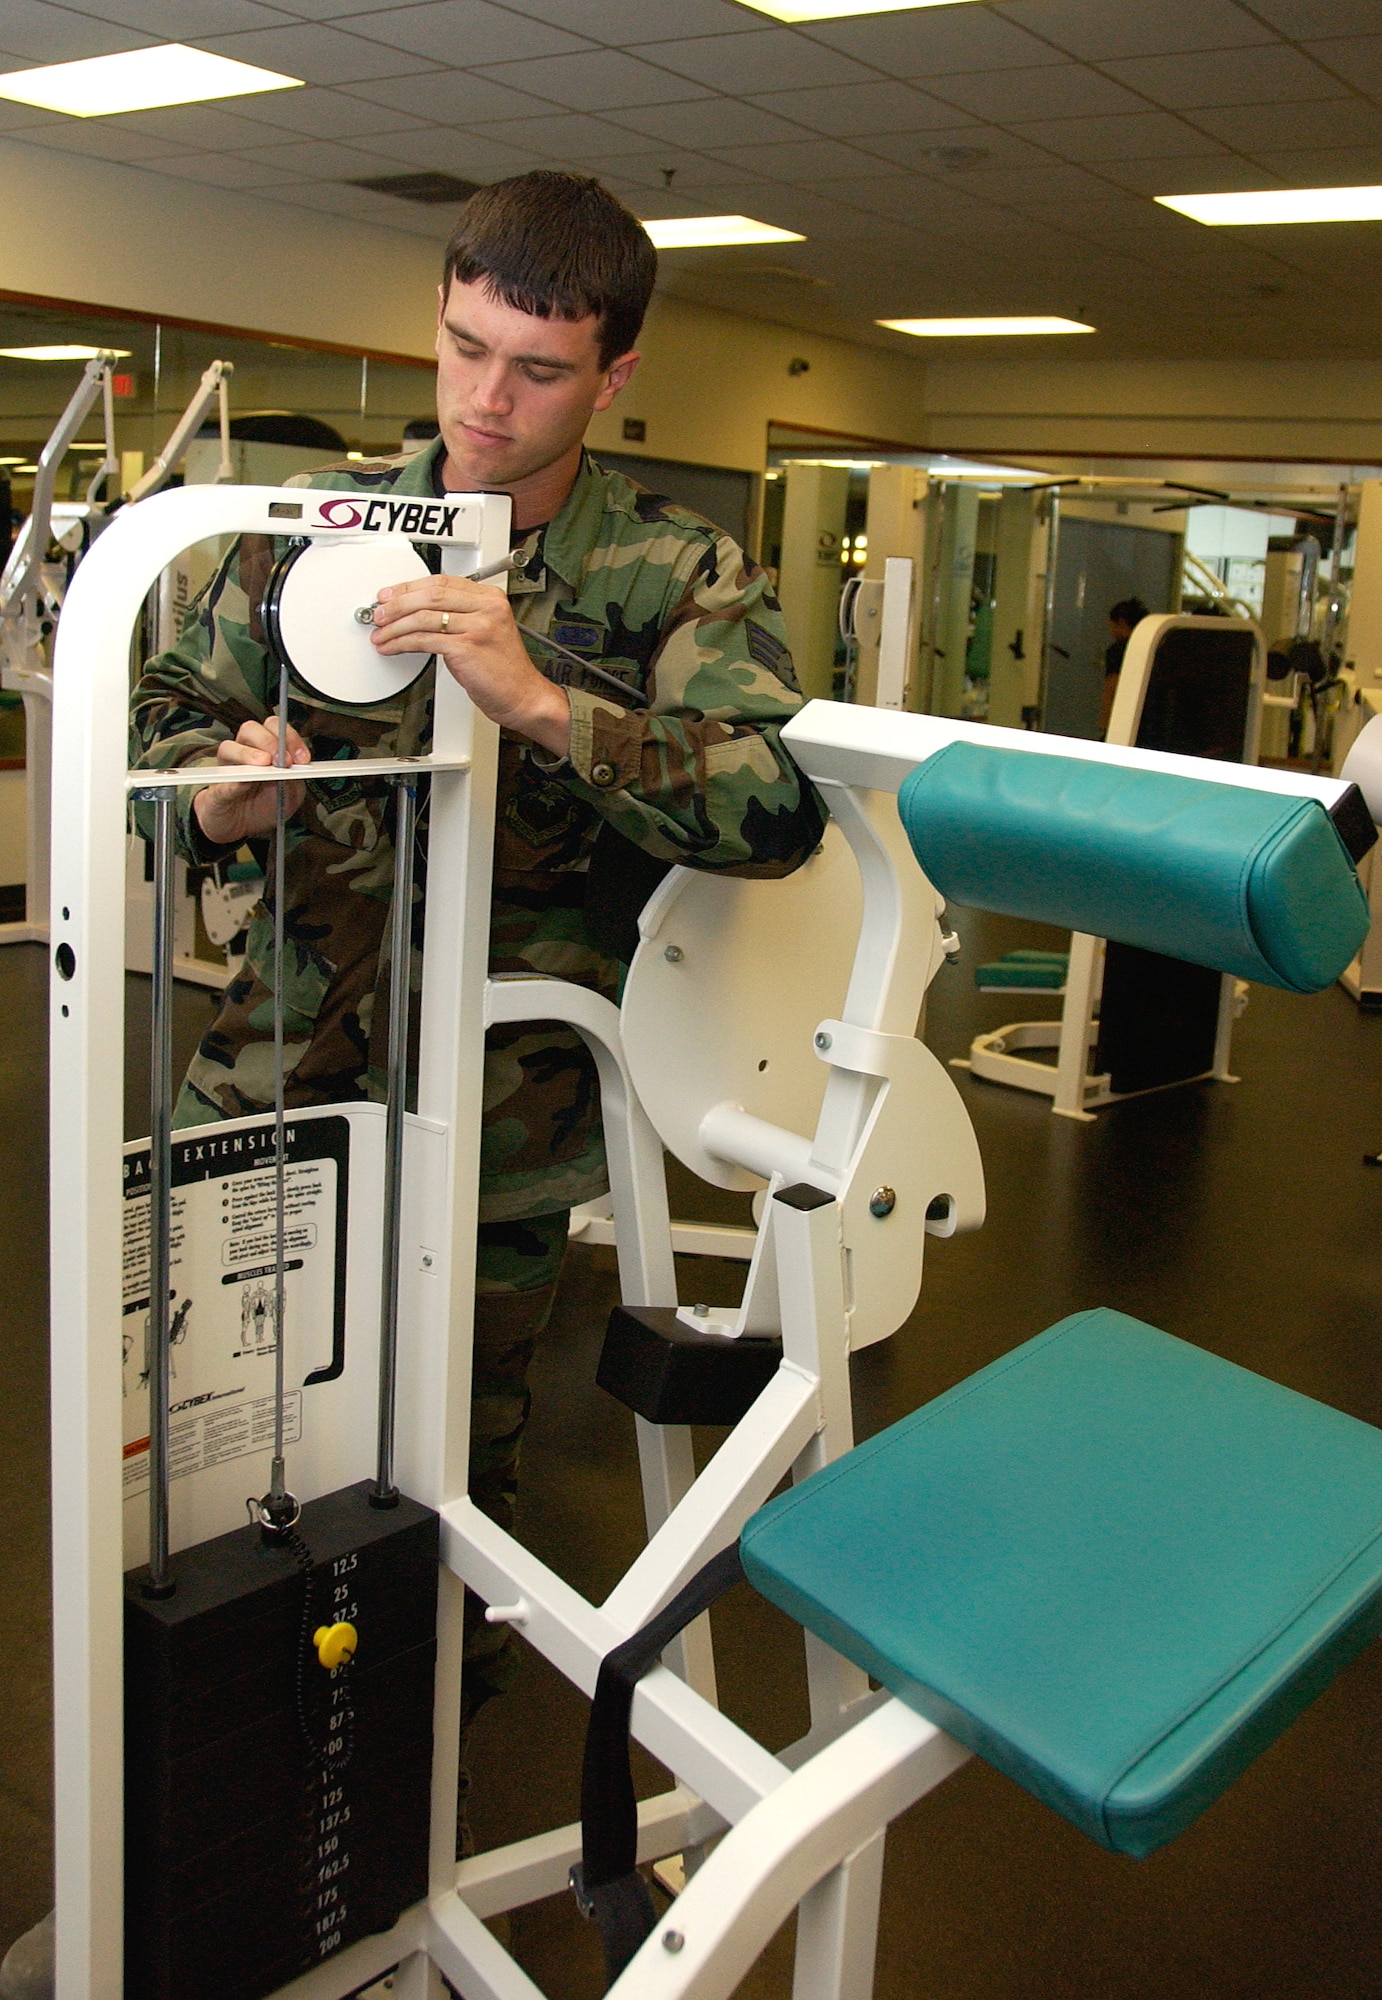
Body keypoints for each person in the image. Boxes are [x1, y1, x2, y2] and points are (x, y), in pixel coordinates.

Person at [0, 170, 823, 2000]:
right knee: (195, 1454)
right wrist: (224, 797)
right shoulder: (300, 534)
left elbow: (771, 810)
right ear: (437, 310)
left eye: (535, 370)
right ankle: (192, 1820)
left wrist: (544, 702)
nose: (481, 401)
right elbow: (137, 760)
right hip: (277, 1069)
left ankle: (376, 1846)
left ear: (612, 375)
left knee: (447, 1480)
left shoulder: (669, 571)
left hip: (508, 1112)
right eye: (462, 346)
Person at [1100, 596, 1149, 736]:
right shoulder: (1155, 646)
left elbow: (1112, 688)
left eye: (1112, 626)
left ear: (1121, 622)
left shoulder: (1118, 650)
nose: (1112, 631)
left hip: (1124, 718)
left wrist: (1105, 725)